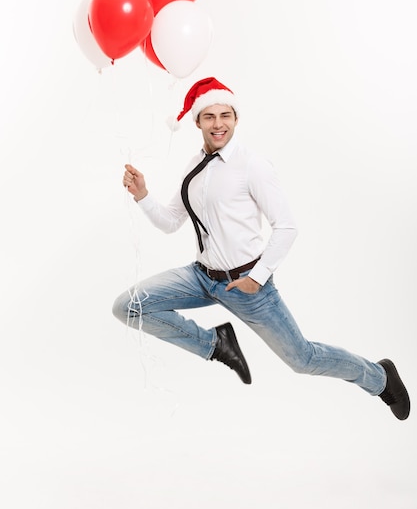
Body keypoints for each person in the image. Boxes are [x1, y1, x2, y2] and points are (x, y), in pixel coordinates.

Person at [112, 76, 410, 420]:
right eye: (209, 116)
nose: (218, 123)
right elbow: (170, 223)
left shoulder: (252, 166)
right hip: (200, 276)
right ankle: (216, 344)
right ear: (197, 121)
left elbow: (287, 227)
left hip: (246, 285)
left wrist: (258, 276)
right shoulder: (192, 168)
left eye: (226, 115)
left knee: (303, 359)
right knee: (128, 307)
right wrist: (143, 195)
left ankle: (379, 376)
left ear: (236, 119)